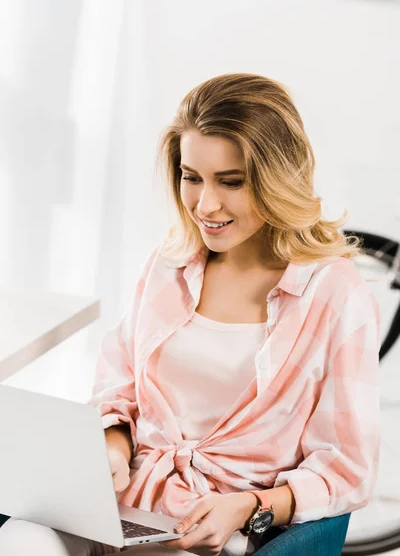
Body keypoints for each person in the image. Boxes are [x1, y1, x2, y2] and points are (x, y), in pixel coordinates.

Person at [0, 73, 380, 556]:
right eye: (191, 176)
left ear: (277, 178)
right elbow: (120, 384)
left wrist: (250, 506)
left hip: (212, 535)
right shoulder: (169, 264)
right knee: (19, 540)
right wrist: (113, 445)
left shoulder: (333, 294)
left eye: (232, 182)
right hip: (123, 510)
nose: (206, 204)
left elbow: (347, 467)